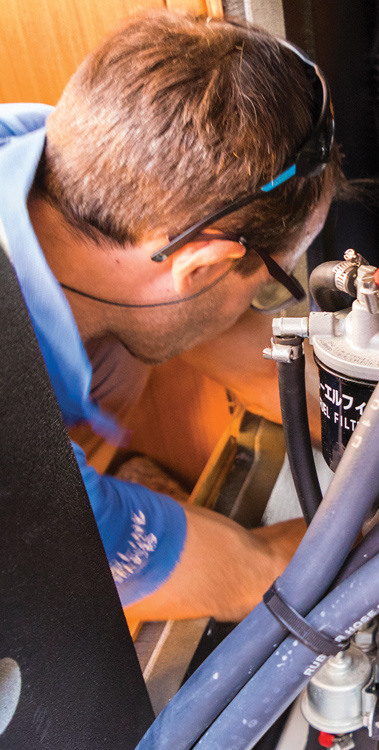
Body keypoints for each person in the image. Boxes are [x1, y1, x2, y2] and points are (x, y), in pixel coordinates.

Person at [0, 12, 346, 622]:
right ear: (203, 264)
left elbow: (261, 363)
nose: (258, 305)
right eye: (270, 284)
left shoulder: (40, 144)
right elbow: (254, 574)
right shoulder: (28, 468)